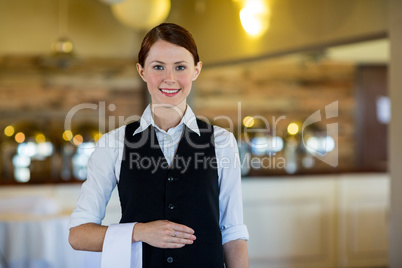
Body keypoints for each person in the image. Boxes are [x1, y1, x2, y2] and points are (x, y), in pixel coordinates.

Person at [68, 23, 249, 268]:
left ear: (196, 70)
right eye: (158, 67)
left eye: (180, 67)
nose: (170, 78)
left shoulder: (222, 142)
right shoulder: (113, 144)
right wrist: (139, 232)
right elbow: (78, 235)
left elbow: (233, 233)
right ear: (141, 71)